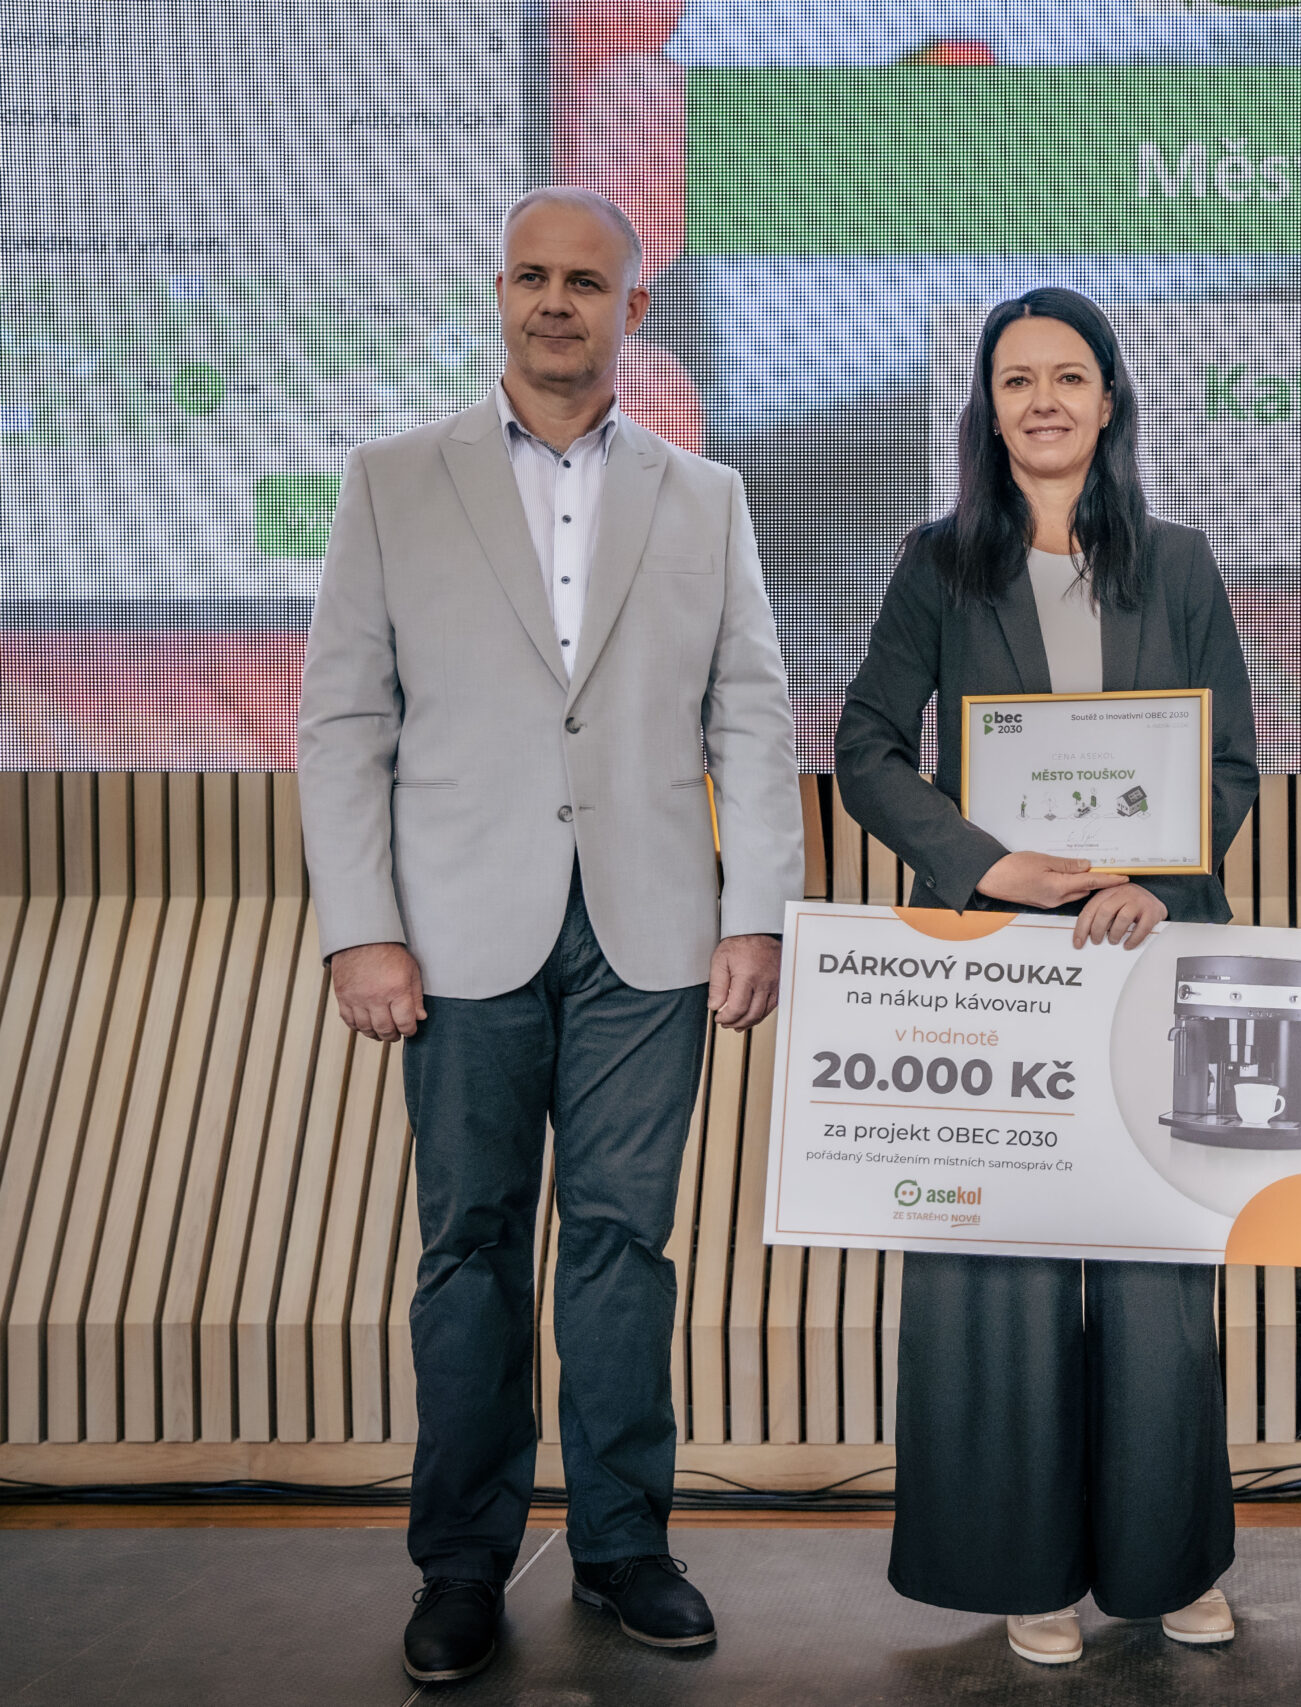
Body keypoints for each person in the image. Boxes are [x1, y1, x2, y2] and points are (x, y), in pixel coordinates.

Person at [298, 186, 804, 1684]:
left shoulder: (704, 497)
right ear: (501, 293)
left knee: (622, 1247)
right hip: (454, 934)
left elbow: (753, 717)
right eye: (531, 275)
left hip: (655, 935)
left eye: (586, 281)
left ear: (631, 308)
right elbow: (343, 720)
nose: (555, 302)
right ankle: (459, 1566)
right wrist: (361, 928)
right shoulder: (392, 480)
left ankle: (625, 1547)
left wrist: (757, 914)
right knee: (468, 1247)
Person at [834, 286, 1258, 1666]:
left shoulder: (1181, 562)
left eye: (1068, 376)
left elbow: (1230, 763)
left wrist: (1161, 881)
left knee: (1155, 1288)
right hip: (995, 967)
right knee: (1002, 1286)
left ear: (1110, 398)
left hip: (1148, 952)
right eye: (1016, 380)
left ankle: (1166, 1564)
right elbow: (866, 747)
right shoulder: (938, 563)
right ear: (988, 406)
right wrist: (985, 864)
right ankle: (1029, 1572)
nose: (1044, 401)